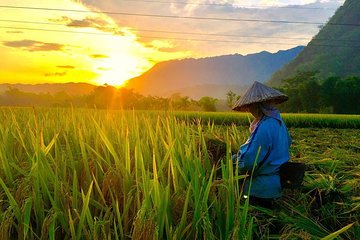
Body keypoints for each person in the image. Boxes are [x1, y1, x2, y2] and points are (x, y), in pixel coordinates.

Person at [232, 81, 291, 209]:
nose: (249, 110)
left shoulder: (263, 127)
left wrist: (233, 162)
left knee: (254, 222)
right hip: (275, 185)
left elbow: (248, 160)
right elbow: (288, 143)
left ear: (259, 106)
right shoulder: (279, 123)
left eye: (251, 106)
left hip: (258, 189)